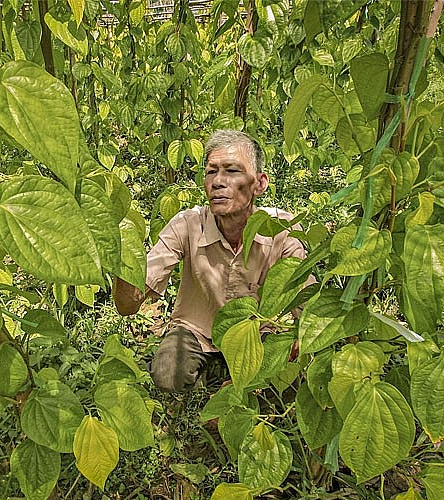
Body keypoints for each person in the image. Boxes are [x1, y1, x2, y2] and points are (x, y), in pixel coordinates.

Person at [113, 130, 307, 392]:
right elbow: (128, 305)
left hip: (258, 331)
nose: (218, 181)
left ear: (260, 183)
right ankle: (218, 374)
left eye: (232, 171)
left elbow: (304, 306)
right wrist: (121, 257)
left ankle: (230, 379)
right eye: (211, 172)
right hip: (197, 329)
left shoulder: (281, 230)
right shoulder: (188, 224)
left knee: (283, 379)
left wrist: (293, 342)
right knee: (168, 374)